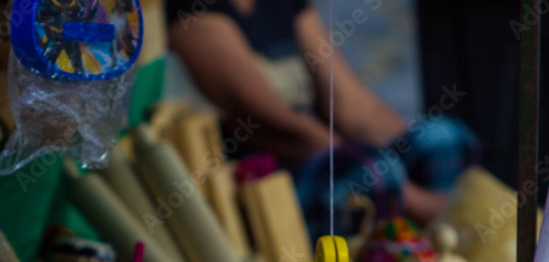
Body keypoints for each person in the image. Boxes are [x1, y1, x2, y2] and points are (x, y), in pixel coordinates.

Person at [164, 0, 481, 238]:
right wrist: (420, 201)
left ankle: (439, 255)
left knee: (443, 140)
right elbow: (264, 120)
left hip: (323, 153)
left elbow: (352, 105)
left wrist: (406, 142)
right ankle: (428, 238)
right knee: (374, 173)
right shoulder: (194, 10)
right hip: (266, 178)